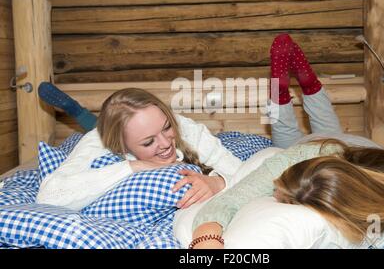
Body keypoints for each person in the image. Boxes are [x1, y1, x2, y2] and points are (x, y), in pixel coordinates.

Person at [189, 33, 384, 249]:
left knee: (300, 132)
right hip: (326, 146)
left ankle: (293, 88)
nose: (276, 199)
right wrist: (206, 240)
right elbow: (231, 199)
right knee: (286, 141)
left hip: (346, 145)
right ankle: (291, 88)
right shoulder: (303, 157)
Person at [36, 87, 242, 211]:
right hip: (100, 133)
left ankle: (79, 112)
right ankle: (77, 111)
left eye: (166, 127)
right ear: (121, 147)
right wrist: (133, 166)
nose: (165, 143)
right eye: (148, 142)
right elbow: (48, 197)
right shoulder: (97, 142)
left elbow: (242, 171)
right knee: (94, 126)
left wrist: (217, 182)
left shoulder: (184, 128)